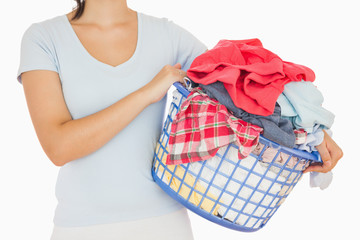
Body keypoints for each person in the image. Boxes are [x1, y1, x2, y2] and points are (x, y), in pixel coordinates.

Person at [17, 0, 343, 239]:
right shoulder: (44, 38)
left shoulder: (169, 36)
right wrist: (148, 92)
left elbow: (242, 84)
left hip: (165, 225)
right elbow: (59, 146)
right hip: (81, 228)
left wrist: (312, 130)